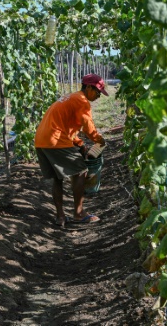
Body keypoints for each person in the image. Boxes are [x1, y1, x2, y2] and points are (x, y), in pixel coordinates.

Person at [34, 73, 108, 226]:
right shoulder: (82, 101)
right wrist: (99, 140)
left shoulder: (71, 97)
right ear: (88, 87)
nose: (99, 96)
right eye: (98, 92)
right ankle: (79, 213)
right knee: (80, 170)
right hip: (55, 141)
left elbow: (67, 126)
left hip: (42, 140)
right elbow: (88, 127)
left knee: (57, 178)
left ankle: (60, 217)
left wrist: (80, 144)